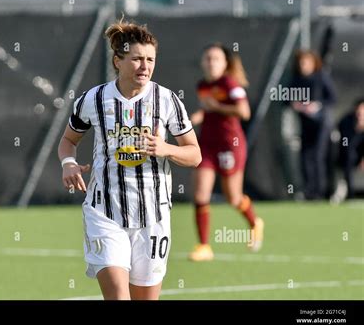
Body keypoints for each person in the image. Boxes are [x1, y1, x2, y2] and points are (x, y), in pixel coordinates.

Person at [58, 19, 201, 300]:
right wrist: (69, 164)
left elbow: (194, 154)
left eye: (150, 59)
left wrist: (166, 149)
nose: (144, 66)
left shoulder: (167, 100)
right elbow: (68, 141)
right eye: (136, 59)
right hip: (105, 212)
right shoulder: (93, 99)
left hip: (153, 215)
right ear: (118, 61)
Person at [188, 43, 264, 262]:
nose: (211, 62)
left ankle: (254, 223)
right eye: (208, 58)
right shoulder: (202, 85)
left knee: (233, 197)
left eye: (216, 59)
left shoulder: (230, 84)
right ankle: (204, 246)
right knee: (200, 195)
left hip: (230, 145)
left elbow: (244, 111)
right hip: (207, 146)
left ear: (225, 63)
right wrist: (197, 117)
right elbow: (208, 110)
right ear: (202, 62)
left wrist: (216, 107)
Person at [289, 49, 337, 200]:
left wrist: (317, 105)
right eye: (301, 63)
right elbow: (286, 99)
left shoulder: (321, 77)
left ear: (313, 63)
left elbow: (333, 98)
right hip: (305, 124)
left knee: (318, 156)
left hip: (322, 124)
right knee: (305, 156)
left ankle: (320, 191)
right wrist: (294, 104)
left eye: (306, 62)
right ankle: (308, 191)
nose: (303, 66)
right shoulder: (295, 80)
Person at [336, 98, 364, 199]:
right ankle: (350, 194)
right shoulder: (346, 121)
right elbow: (346, 144)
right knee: (349, 157)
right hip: (347, 155)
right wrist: (356, 130)